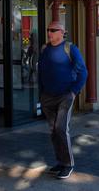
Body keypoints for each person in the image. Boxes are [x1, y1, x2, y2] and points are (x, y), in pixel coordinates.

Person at [39, 21, 88, 179]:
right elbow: (41, 70)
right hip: (48, 96)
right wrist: (41, 91)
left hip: (65, 95)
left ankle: (68, 164)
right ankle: (60, 162)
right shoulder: (45, 49)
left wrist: (74, 92)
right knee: (53, 131)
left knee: (61, 128)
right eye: (48, 30)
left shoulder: (70, 48)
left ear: (61, 32)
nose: (49, 33)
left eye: (53, 30)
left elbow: (83, 71)